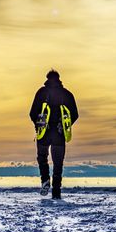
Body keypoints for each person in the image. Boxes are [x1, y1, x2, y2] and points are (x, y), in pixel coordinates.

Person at [29, 69, 79, 199]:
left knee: (42, 157)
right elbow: (75, 114)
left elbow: (32, 113)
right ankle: (56, 191)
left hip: (44, 133)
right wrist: (65, 125)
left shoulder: (41, 92)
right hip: (59, 133)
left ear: (47, 78)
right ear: (59, 78)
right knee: (58, 164)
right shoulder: (66, 94)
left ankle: (45, 180)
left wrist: (37, 124)